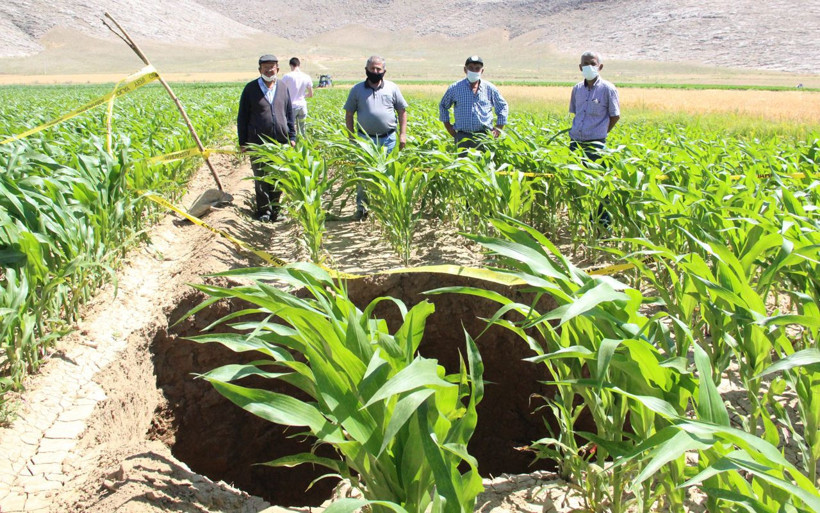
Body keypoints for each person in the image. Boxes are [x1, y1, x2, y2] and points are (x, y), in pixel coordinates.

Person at [343, 55, 408, 220]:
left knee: (389, 175)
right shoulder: (357, 90)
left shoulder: (392, 88)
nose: (375, 71)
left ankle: (386, 208)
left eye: (378, 69)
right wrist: (351, 137)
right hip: (365, 140)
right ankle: (362, 209)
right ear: (366, 70)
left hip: (389, 139)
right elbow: (349, 113)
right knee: (363, 175)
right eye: (372, 68)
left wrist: (402, 134)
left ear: (384, 71)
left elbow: (402, 111)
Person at [237, 54, 296, 223]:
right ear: (259, 70)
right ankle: (264, 211)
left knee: (279, 177)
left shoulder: (283, 88)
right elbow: (242, 117)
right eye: (265, 67)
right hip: (258, 142)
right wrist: (243, 142)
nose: (269, 70)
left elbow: (289, 114)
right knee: (261, 176)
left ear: (277, 69)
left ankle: (276, 209)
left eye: (272, 67)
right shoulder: (250, 89)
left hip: (281, 142)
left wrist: (292, 136)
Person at [568, 51, 620, 226]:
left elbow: (615, 116)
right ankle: (580, 222)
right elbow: (576, 113)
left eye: (592, 63)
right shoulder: (577, 89)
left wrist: (600, 132)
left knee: (599, 187)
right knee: (578, 185)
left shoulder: (608, 89)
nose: (588, 67)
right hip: (576, 144)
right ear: (580, 67)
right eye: (585, 64)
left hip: (596, 146)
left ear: (600, 67)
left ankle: (601, 224)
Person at [439, 55, 508, 154]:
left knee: (483, 167)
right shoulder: (455, 88)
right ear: (465, 70)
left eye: (477, 68)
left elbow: (503, 106)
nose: (474, 71)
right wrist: (449, 128)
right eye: (471, 68)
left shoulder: (490, 88)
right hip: (462, 137)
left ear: (482, 71)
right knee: (462, 167)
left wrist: (498, 129)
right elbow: (443, 106)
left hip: (484, 137)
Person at [280, 57, 314, 137]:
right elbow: (311, 94)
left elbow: (280, 90)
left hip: (291, 106)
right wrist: (302, 95)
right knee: (302, 129)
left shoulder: (287, 76)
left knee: (290, 130)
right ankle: (303, 144)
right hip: (302, 106)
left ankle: (293, 145)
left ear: (291, 65)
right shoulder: (306, 77)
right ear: (299, 65)